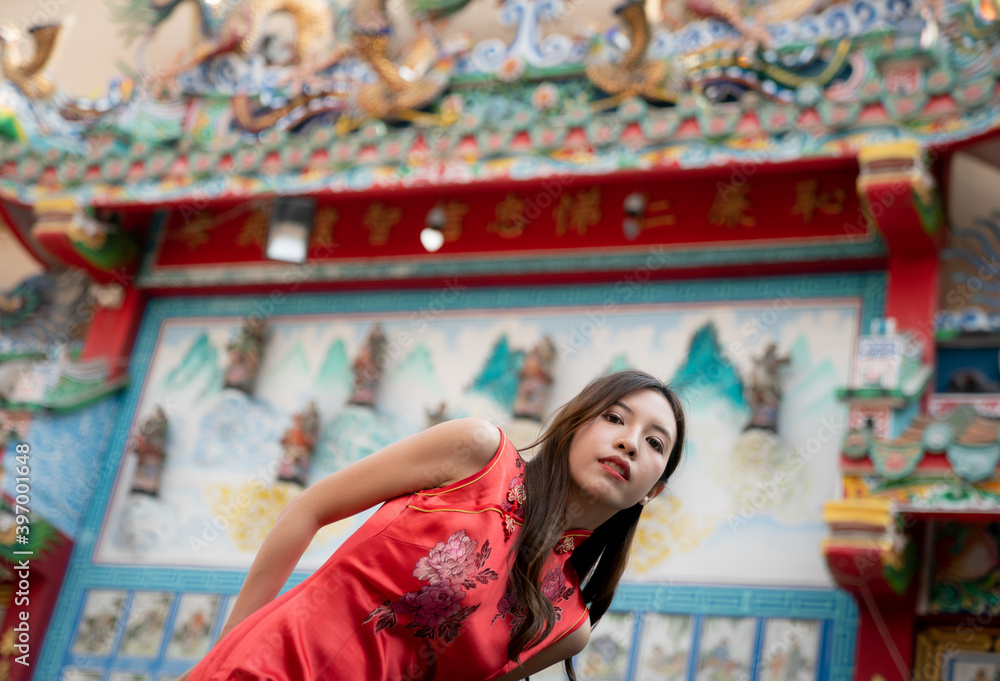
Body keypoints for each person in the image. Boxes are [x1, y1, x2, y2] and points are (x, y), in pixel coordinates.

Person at [179, 370, 686, 681]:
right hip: (265, 666)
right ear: (575, 424)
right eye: (615, 419)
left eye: (655, 443)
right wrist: (227, 647)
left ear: (653, 489)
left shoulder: (568, 625)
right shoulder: (478, 452)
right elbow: (308, 508)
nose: (630, 442)